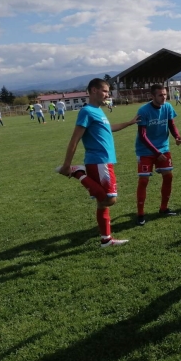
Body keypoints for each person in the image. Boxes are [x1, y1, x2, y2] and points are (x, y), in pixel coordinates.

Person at [56, 78, 139, 247]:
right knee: (109, 199)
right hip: (99, 161)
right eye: (105, 91)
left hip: (103, 160)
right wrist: (66, 165)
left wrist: (129, 123)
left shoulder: (98, 111)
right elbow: (75, 139)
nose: (107, 95)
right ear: (94, 90)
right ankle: (78, 173)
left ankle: (106, 239)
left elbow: (109, 128)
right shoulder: (87, 111)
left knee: (102, 203)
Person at [135, 84, 181, 226]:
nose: (164, 97)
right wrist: (156, 153)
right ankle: (140, 214)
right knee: (144, 181)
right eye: (160, 95)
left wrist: (177, 136)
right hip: (145, 150)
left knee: (168, 176)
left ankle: (163, 208)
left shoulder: (167, 107)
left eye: (165, 94)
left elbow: (171, 124)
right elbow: (142, 135)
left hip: (163, 148)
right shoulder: (143, 111)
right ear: (152, 96)